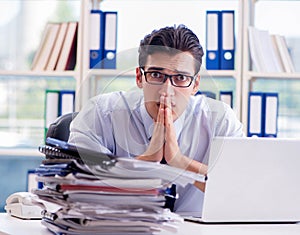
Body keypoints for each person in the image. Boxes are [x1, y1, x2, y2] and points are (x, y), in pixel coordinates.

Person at [68, 24, 244, 216]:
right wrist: (145, 161)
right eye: (156, 75)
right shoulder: (100, 114)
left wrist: (181, 162)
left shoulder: (220, 120)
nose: (166, 91)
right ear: (139, 77)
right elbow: (75, 188)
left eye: (181, 78)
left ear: (195, 85)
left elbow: (242, 189)